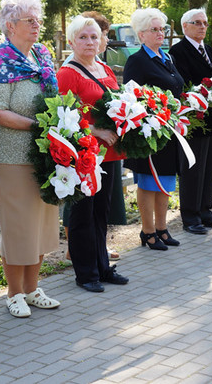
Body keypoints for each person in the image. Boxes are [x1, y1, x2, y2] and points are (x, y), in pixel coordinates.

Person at [0, 0, 61, 317]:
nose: (37, 25)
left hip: (41, 154)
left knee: (41, 223)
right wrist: (38, 126)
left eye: (38, 20)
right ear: (10, 26)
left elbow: (55, 96)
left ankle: (32, 288)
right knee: (17, 226)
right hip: (9, 155)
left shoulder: (41, 54)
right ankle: (13, 293)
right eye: (31, 21)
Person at [56, 16, 129, 292]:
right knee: (82, 214)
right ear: (72, 41)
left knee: (102, 212)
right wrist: (96, 131)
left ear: (101, 40)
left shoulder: (105, 69)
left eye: (94, 37)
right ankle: (85, 273)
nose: (89, 42)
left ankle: (102, 267)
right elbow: (62, 117)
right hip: (84, 154)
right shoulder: (67, 74)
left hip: (109, 153)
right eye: (83, 37)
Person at [123, 8, 184, 250]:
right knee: (149, 182)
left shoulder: (167, 58)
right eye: (155, 30)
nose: (160, 33)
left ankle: (162, 228)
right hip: (148, 133)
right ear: (142, 35)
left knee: (166, 181)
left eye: (163, 29)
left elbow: (176, 89)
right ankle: (147, 232)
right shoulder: (137, 61)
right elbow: (131, 95)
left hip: (169, 130)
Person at [170, 8, 212, 234]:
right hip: (193, 120)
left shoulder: (210, 51)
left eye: (205, 22)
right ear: (185, 27)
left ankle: (206, 212)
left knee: (209, 168)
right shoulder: (178, 52)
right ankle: (190, 217)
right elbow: (185, 85)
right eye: (197, 23)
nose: (203, 26)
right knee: (192, 169)